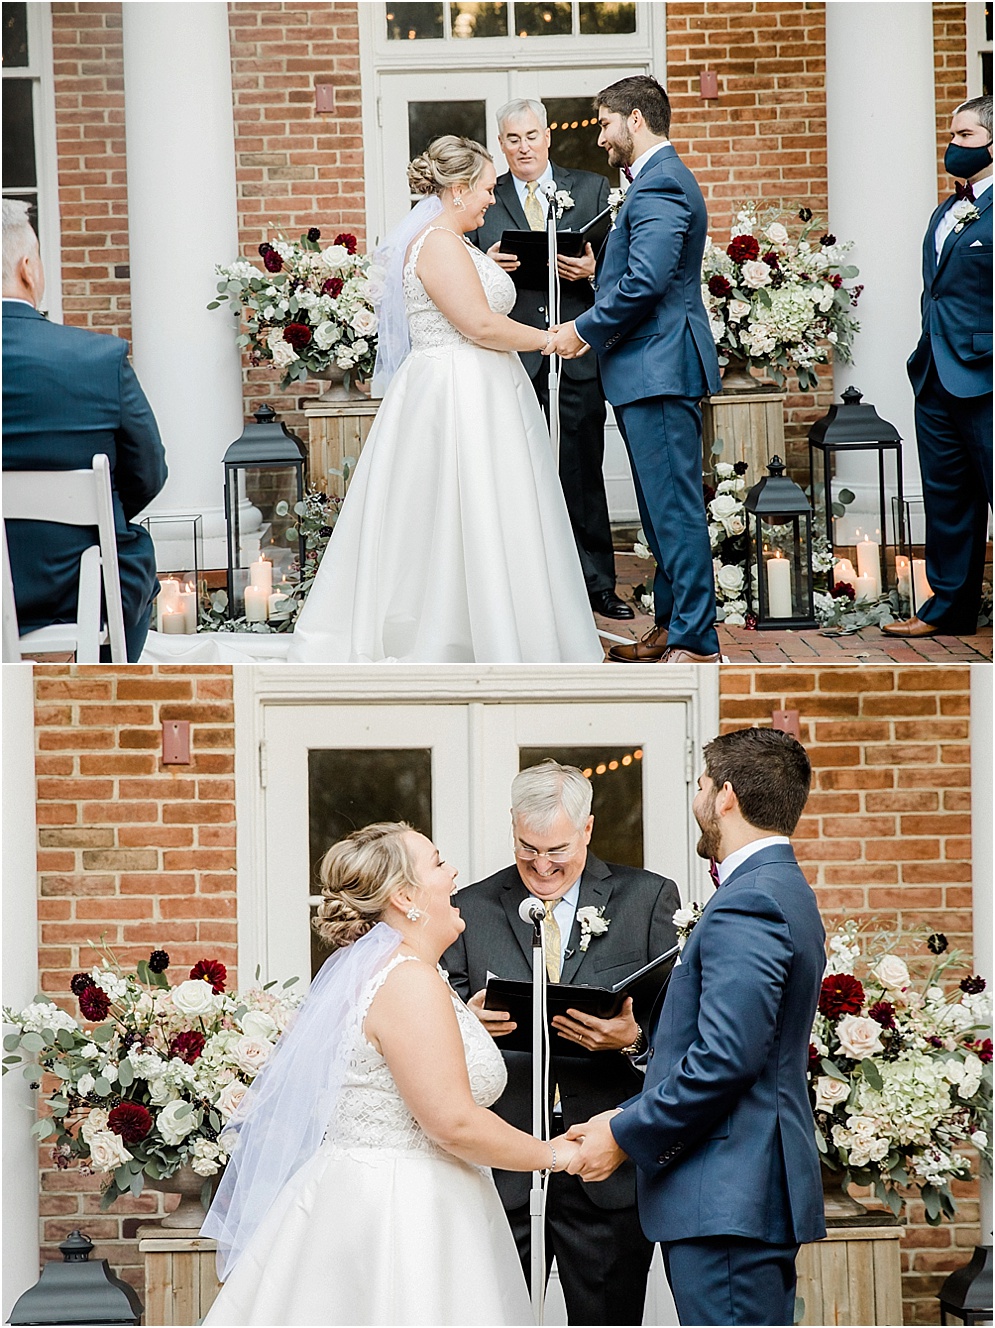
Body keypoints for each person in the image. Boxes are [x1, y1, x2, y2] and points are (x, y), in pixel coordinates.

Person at [203, 822, 578, 1326]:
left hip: (407, 1195)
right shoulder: (408, 981)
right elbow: (453, 1124)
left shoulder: (406, 974)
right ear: (406, 896)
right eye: (439, 863)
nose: (454, 874)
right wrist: (556, 1155)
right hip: (398, 1212)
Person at [288, 136, 602, 664]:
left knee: (486, 510)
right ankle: (456, 635)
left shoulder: (457, 242)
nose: (489, 198)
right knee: (458, 509)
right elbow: (479, 324)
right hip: (456, 395)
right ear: (457, 190)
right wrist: (552, 338)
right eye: (483, 188)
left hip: (481, 390)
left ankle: (496, 625)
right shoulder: (436, 243)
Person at [565, 728, 827, 1328]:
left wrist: (625, 1133)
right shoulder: (777, 888)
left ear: (727, 795)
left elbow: (726, 1059)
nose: (697, 797)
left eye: (701, 784)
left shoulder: (750, 900)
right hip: (740, 1191)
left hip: (728, 1196)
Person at [444, 760, 680, 1326]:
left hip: (604, 1163)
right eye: (528, 848)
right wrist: (467, 1022)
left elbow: (679, 1026)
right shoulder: (469, 908)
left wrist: (634, 1039)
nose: (542, 865)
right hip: (499, 1166)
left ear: (589, 829)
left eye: (558, 850)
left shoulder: (647, 898)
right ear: (512, 826)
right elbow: (435, 1010)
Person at [548, 75, 722, 665]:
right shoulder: (651, 184)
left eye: (603, 122)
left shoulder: (661, 187)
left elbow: (647, 284)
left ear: (636, 120)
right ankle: (672, 627)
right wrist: (602, 270)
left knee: (673, 509)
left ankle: (696, 642)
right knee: (659, 507)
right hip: (648, 365)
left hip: (659, 367)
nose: (600, 137)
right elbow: (647, 274)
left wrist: (582, 329)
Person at [467, 99, 632, 622]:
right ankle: (525, 588)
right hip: (513, 357)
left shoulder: (589, 189)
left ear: (548, 137)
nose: (524, 147)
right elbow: (458, 263)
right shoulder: (485, 199)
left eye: (532, 135)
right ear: (501, 144)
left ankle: (596, 586)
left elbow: (621, 263)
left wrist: (591, 269)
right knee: (515, 472)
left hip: (576, 352)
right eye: (513, 139)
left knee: (582, 472)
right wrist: (485, 264)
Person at [2, 199, 167, 662]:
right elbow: (149, 472)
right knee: (131, 552)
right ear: (28, 269)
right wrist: (96, 511)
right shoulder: (98, 359)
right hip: (74, 588)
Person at [883, 94, 993, 640]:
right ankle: (948, 609)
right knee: (948, 499)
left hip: (988, 376)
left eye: (965, 137)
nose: (953, 146)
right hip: (936, 373)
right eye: (952, 136)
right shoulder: (947, 209)